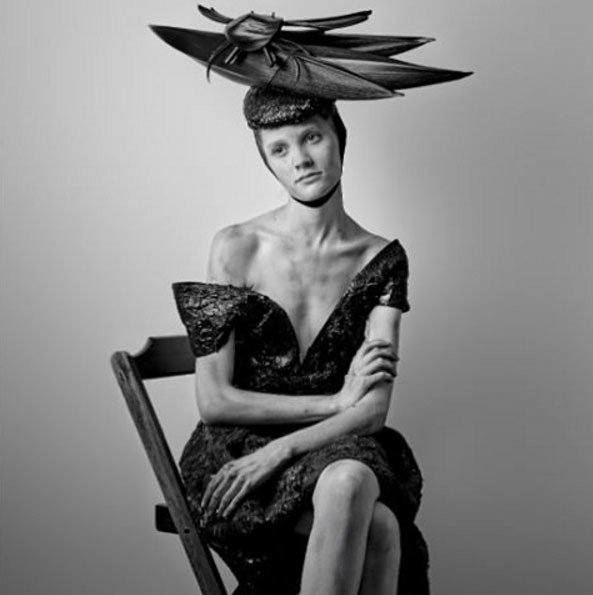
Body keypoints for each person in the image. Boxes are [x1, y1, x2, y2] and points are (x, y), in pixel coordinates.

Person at [154, 8, 471, 594]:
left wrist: (285, 450)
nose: (299, 159)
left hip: (334, 447)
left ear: (338, 138)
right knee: (378, 523)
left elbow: (371, 412)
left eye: (311, 138)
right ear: (267, 161)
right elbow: (215, 401)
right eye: (279, 149)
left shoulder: (382, 259)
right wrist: (335, 400)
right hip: (235, 455)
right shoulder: (236, 247)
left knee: (353, 484)